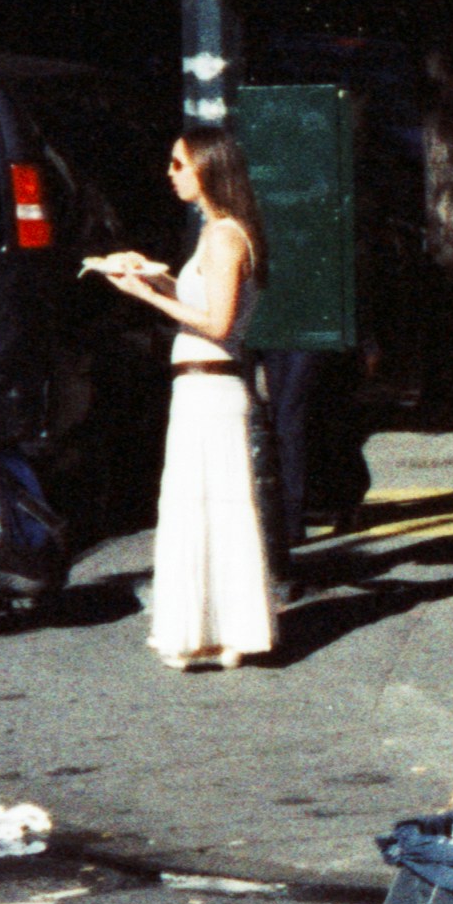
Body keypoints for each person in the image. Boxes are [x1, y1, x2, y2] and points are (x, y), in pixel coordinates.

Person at [97, 126, 279, 671]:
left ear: (207, 168)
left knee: (207, 506)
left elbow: (218, 323)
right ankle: (221, 633)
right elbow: (206, 304)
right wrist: (156, 280)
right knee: (207, 508)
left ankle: (221, 632)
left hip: (211, 385)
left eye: (179, 164)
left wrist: (150, 297)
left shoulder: (224, 236)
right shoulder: (218, 234)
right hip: (203, 385)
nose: (171, 173)